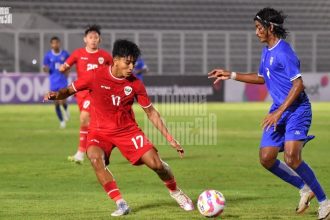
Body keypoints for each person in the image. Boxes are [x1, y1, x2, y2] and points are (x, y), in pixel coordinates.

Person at [44, 39, 194, 216]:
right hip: (99, 131)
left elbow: (151, 112)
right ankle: (121, 203)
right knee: (93, 157)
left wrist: (170, 138)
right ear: (115, 60)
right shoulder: (95, 76)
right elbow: (69, 90)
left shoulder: (135, 84)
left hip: (127, 130)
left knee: (156, 165)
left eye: (133, 63)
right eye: (127, 62)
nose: (131, 67)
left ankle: (176, 192)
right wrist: (56, 94)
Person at [208, 7, 330, 220]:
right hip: (279, 110)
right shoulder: (267, 51)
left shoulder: (284, 52)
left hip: (296, 110)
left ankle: (324, 202)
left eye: (258, 28)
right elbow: (262, 78)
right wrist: (231, 74)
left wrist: (279, 112)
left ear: (270, 27)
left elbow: (299, 85)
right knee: (266, 158)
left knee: (292, 157)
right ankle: (304, 187)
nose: (256, 32)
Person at [59, 25, 113, 163]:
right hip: (81, 94)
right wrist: (63, 68)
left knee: (84, 118)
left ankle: (81, 153)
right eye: (91, 37)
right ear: (85, 39)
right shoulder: (78, 54)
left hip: (97, 94)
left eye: (96, 37)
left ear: (99, 40)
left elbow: (114, 72)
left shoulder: (105, 56)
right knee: (90, 123)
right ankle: (97, 151)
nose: (93, 40)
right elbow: (65, 65)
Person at [43, 36, 70, 129]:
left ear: (59, 43)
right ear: (51, 44)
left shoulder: (65, 54)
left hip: (62, 80)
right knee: (56, 103)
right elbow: (44, 67)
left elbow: (69, 64)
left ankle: (66, 110)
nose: (55, 45)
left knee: (62, 101)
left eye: (57, 43)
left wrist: (67, 72)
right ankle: (62, 121)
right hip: (53, 81)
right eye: (53, 43)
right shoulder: (48, 55)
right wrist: (45, 69)